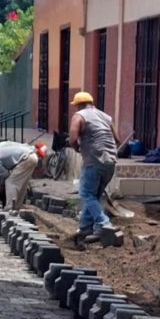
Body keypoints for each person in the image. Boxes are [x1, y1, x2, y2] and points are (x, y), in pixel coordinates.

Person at [68, 91, 120, 240]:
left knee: (86, 194)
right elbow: (117, 139)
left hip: (94, 160)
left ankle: (104, 223)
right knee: (94, 196)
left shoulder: (79, 116)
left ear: (78, 105)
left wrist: (78, 148)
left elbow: (72, 138)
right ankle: (86, 228)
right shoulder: (105, 116)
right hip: (110, 162)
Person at [0, 141, 48, 210]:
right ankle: (16, 208)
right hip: (32, 156)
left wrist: (1, 185)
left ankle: (9, 209)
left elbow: (5, 175)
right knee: (21, 185)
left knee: (10, 182)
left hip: (26, 158)